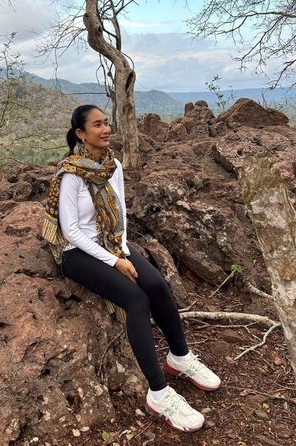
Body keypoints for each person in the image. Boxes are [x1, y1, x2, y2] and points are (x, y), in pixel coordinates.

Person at [42, 104, 221, 432]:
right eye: (97, 125)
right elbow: (71, 231)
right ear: (81, 133)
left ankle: (179, 359)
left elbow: (120, 213)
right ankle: (158, 393)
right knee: (136, 300)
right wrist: (115, 261)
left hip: (113, 243)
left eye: (106, 122)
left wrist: (124, 251)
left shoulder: (114, 165)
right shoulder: (71, 173)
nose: (106, 128)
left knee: (156, 285)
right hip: (77, 253)